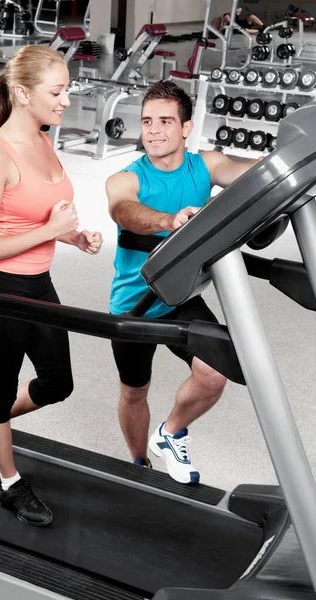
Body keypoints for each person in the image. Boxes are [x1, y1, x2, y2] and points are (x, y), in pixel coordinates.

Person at [0, 45, 103, 526]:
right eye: (57, 92)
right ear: (22, 93)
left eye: (67, 90)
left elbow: (40, 214)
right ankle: (9, 483)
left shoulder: (43, 138)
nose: (65, 100)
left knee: (57, 383)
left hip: (38, 283)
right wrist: (51, 230)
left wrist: (75, 236)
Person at [106, 80, 261, 485]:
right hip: (133, 304)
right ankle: (140, 465)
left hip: (181, 298)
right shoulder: (127, 177)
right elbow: (123, 210)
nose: (153, 130)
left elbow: (246, 173)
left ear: (186, 127)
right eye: (146, 122)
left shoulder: (205, 165)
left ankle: (170, 432)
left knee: (214, 373)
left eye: (164, 121)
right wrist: (167, 222)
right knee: (134, 392)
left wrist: (284, 162)